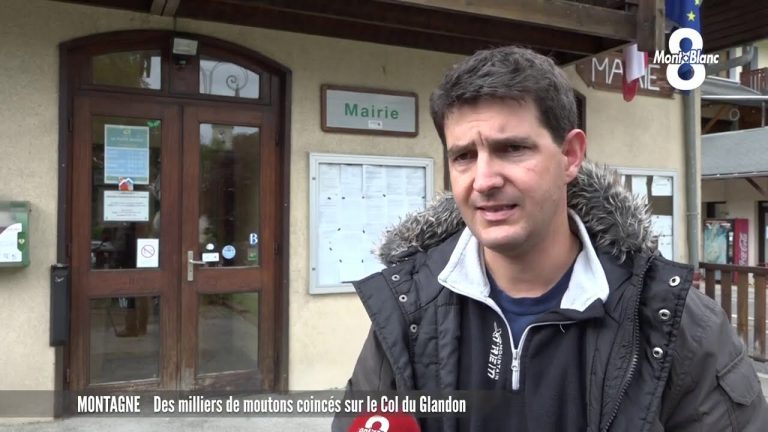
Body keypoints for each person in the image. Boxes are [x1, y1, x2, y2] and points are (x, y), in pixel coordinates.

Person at [333, 46, 768, 431]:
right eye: (464, 156)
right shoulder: (408, 309)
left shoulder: (672, 323)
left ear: (570, 156)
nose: (484, 180)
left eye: (512, 149)